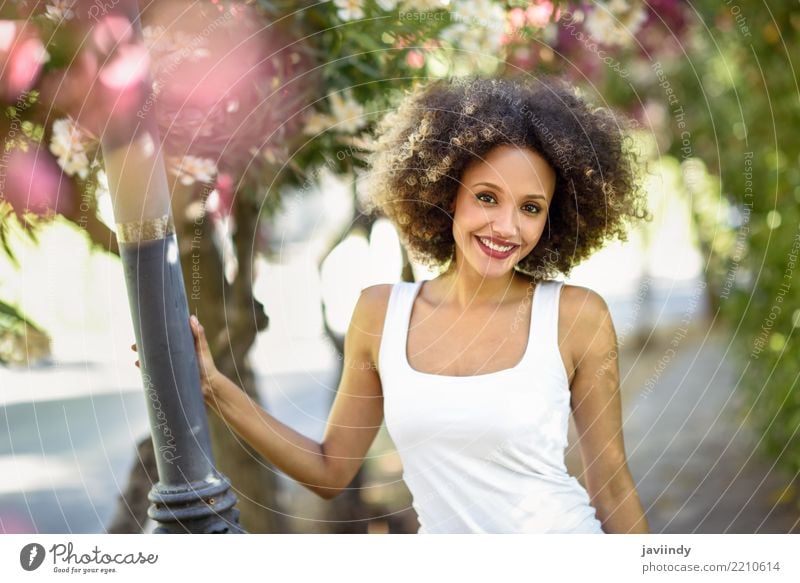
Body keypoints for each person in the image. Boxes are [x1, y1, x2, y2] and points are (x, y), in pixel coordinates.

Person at [133, 76, 651, 533]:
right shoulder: (382, 314)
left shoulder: (577, 317)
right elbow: (331, 469)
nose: (506, 227)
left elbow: (611, 487)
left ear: (551, 219)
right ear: (448, 194)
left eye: (531, 208)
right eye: (487, 198)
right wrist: (213, 387)